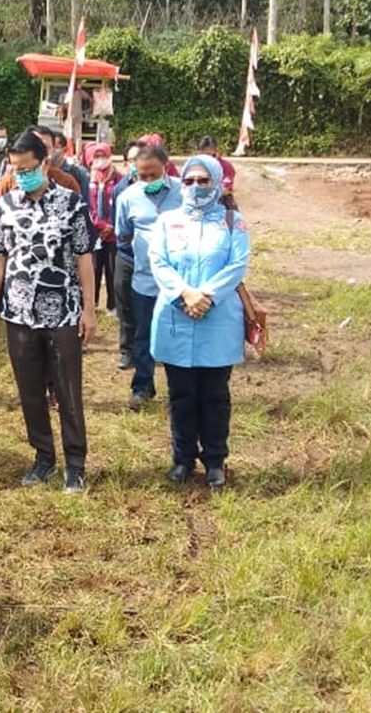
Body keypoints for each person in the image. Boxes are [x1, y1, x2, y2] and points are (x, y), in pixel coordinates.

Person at [0, 129, 95, 494]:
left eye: (28, 168)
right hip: (18, 313)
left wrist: (89, 311)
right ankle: (43, 456)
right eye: (16, 169)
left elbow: (84, 259)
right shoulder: (5, 206)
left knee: (67, 390)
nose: (22, 175)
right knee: (29, 390)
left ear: (45, 163)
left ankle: (75, 463)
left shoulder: (72, 203)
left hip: (63, 312)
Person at [149, 155, 250, 488]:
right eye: (188, 181)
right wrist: (184, 295)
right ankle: (182, 458)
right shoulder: (167, 221)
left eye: (202, 181)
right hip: (176, 316)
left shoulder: (233, 222)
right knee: (181, 395)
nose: (194, 187)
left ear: (217, 182)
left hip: (217, 319)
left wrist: (205, 294)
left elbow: (237, 265)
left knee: (215, 395)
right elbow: (158, 262)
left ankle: (215, 461)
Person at [114, 142, 183, 412]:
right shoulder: (127, 197)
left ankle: (179, 389)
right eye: (142, 176)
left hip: (179, 282)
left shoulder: (183, 192)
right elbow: (124, 232)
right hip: (144, 280)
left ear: (165, 168)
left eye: (154, 174)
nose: (148, 180)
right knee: (144, 335)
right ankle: (142, 387)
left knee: (177, 334)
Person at [111, 140, 142, 369]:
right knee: (125, 305)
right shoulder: (120, 189)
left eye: (140, 157)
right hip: (127, 255)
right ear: (125, 163)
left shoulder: (166, 187)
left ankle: (151, 349)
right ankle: (127, 351)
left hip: (154, 260)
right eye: (132, 159)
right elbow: (119, 227)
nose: (137, 163)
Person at [85, 143, 123, 315]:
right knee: (93, 269)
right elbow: (86, 205)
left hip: (114, 233)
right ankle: (91, 304)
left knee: (112, 269)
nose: (100, 160)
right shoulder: (87, 179)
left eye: (103, 156)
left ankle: (112, 305)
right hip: (94, 233)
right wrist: (99, 225)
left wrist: (112, 225)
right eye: (96, 156)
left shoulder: (119, 178)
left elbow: (122, 203)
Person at [197, 135, 238, 210]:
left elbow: (224, 189)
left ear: (216, 152)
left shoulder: (225, 166)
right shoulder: (194, 167)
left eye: (209, 154)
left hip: (221, 201)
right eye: (202, 155)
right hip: (199, 202)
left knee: (232, 217)